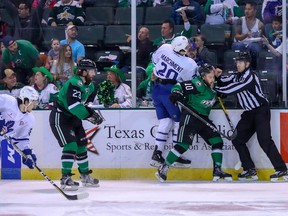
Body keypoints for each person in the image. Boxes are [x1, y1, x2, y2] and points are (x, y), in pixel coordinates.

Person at [215, 51, 288, 181]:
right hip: (249, 113)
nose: (238, 64)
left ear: (247, 64)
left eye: (240, 62)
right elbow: (225, 81)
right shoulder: (238, 75)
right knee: (237, 139)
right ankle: (249, 169)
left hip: (260, 111)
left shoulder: (250, 77)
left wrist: (215, 90)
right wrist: (218, 77)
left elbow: (233, 89)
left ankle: (282, 169)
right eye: (237, 62)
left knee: (264, 140)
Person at [155, 64, 232, 182]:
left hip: (203, 118)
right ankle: (164, 167)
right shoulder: (197, 84)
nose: (212, 79)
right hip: (190, 117)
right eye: (210, 77)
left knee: (217, 141)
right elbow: (178, 86)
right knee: (183, 145)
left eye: (213, 77)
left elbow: (216, 94)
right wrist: (176, 93)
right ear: (203, 76)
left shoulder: (212, 86)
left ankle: (217, 170)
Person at [49, 58, 103, 191]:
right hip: (61, 117)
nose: (94, 74)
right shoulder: (74, 83)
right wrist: (90, 115)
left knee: (82, 145)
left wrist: (91, 112)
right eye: (91, 71)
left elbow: (84, 104)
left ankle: (84, 176)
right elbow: (73, 105)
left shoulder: (91, 86)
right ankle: (65, 177)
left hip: (74, 118)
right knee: (71, 145)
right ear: (83, 72)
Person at [150, 36, 198, 168]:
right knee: (178, 122)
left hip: (156, 88)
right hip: (170, 92)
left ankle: (157, 153)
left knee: (165, 121)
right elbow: (190, 81)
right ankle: (176, 156)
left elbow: (154, 61)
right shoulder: (189, 63)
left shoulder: (165, 48)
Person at [0, 86, 39, 169]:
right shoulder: (7, 100)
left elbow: (21, 139)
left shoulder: (29, 119)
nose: (35, 105)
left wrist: (27, 153)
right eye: (34, 102)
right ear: (26, 101)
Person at [232, 0, 264, 69]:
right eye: (246, 9)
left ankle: (253, 68)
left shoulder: (260, 24)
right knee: (240, 46)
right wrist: (246, 35)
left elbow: (260, 40)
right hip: (240, 43)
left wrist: (257, 37)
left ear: (255, 11)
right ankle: (241, 67)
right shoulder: (240, 20)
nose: (247, 11)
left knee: (254, 47)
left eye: (249, 9)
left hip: (252, 44)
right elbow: (237, 37)